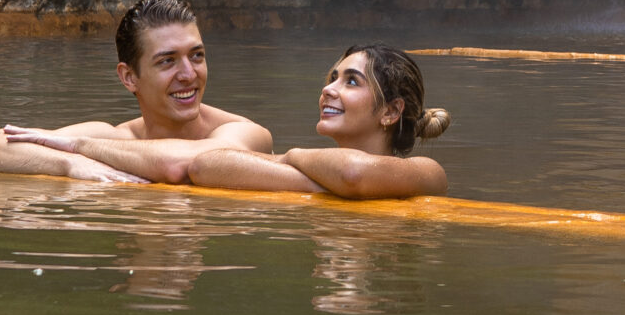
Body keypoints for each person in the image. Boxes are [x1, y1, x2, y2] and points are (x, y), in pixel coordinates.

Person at [0, 0, 271, 180]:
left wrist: (81, 146)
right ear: (129, 77)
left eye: (197, 56)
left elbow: (180, 165)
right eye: (167, 61)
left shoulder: (244, 132)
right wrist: (68, 162)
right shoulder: (116, 137)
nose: (189, 74)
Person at [183, 44, 451, 199]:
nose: (328, 89)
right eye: (333, 78)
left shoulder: (428, 172)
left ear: (390, 112)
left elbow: (353, 174)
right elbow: (204, 165)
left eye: (352, 81)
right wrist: (327, 181)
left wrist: (288, 158)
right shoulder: (314, 168)